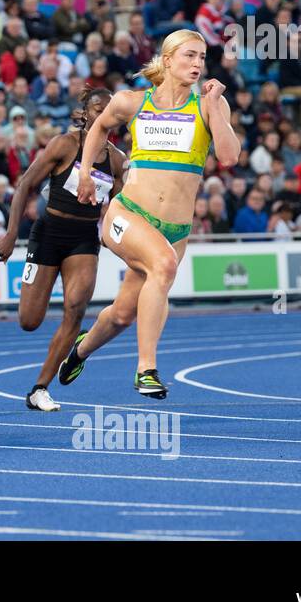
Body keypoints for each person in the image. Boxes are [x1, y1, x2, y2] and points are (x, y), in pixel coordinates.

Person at [64, 30, 239, 398]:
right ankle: (147, 369)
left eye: (202, 57)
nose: (197, 64)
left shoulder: (208, 104)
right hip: (126, 215)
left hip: (174, 229)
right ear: (169, 58)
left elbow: (228, 157)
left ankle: (79, 350)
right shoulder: (133, 102)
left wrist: (216, 106)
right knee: (163, 265)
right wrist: (83, 172)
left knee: (123, 314)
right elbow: (98, 127)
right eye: (190, 56)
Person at [0, 88, 125, 411]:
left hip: (83, 238)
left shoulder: (117, 160)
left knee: (76, 308)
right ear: (85, 113)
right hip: (48, 234)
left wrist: (117, 236)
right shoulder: (65, 145)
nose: (105, 115)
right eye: (98, 109)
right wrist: (11, 233)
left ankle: (40, 388)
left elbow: (119, 208)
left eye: (111, 110)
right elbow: (25, 184)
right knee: (29, 320)